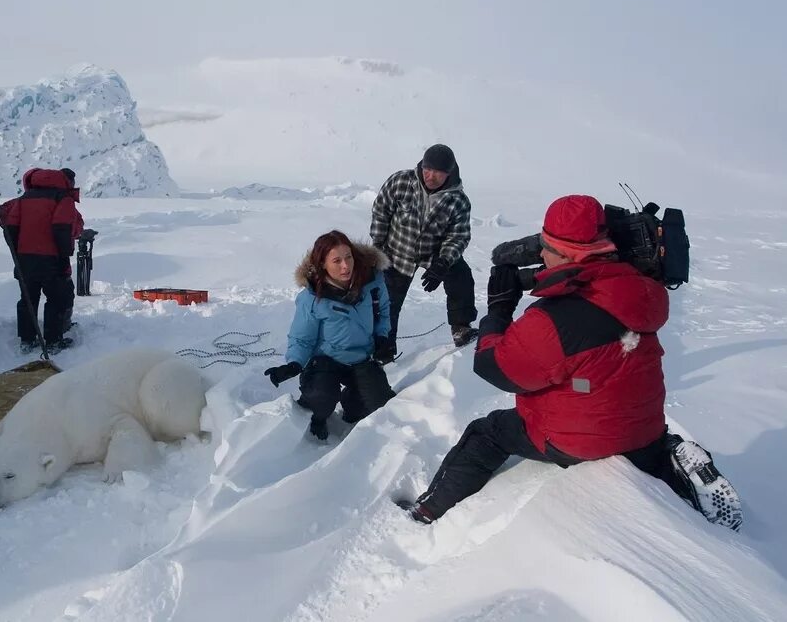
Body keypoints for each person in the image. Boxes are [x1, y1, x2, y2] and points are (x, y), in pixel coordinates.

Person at [398, 194, 742, 531]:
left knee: (487, 433)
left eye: (546, 248)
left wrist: (499, 308)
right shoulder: (639, 286)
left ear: (565, 254)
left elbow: (495, 367)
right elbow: (586, 280)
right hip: (643, 425)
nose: (540, 254)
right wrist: (536, 278)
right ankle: (671, 473)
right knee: (626, 410)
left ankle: (427, 510)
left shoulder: (553, 321)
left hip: (582, 439)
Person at [264, 230, 397, 440]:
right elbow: (302, 337)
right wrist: (294, 364)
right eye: (336, 261)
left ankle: (352, 407)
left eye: (348, 257)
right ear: (322, 264)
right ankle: (317, 418)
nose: (346, 266)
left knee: (377, 404)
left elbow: (384, 311)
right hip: (326, 360)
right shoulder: (312, 296)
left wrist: (382, 336)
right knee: (322, 397)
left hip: (362, 357)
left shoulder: (372, 281)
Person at [370, 143, 478, 354]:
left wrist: (444, 262)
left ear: (449, 173)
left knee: (461, 276)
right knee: (387, 301)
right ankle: (384, 346)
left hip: (433, 253)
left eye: (438, 172)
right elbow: (381, 211)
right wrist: (377, 248)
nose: (430, 176)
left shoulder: (459, 200)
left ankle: (461, 328)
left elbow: (458, 235)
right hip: (397, 251)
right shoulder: (401, 181)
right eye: (427, 169)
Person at [0, 167, 82, 352]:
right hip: (51, 258)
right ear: (67, 182)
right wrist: (64, 255)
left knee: (28, 299)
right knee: (55, 299)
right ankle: (52, 342)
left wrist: (18, 252)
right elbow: (62, 228)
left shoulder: (24, 198)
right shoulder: (63, 198)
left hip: (25, 260)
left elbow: (10, 227)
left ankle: (27, 340)